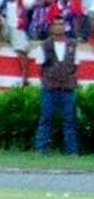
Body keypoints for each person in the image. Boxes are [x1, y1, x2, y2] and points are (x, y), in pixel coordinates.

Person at [34, 17, 81, 156]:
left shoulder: (73, 45)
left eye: (61, 24)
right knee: (45, 119)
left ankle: (72, 152)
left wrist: (69, 79)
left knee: (70, 121)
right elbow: (40, 67)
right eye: (56, 24)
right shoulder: (44, 45)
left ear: (65, 27)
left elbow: (76, 66)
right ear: (51, 28)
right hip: (49, 88)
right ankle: (41, 150)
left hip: (67, 89)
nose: (59, 27)